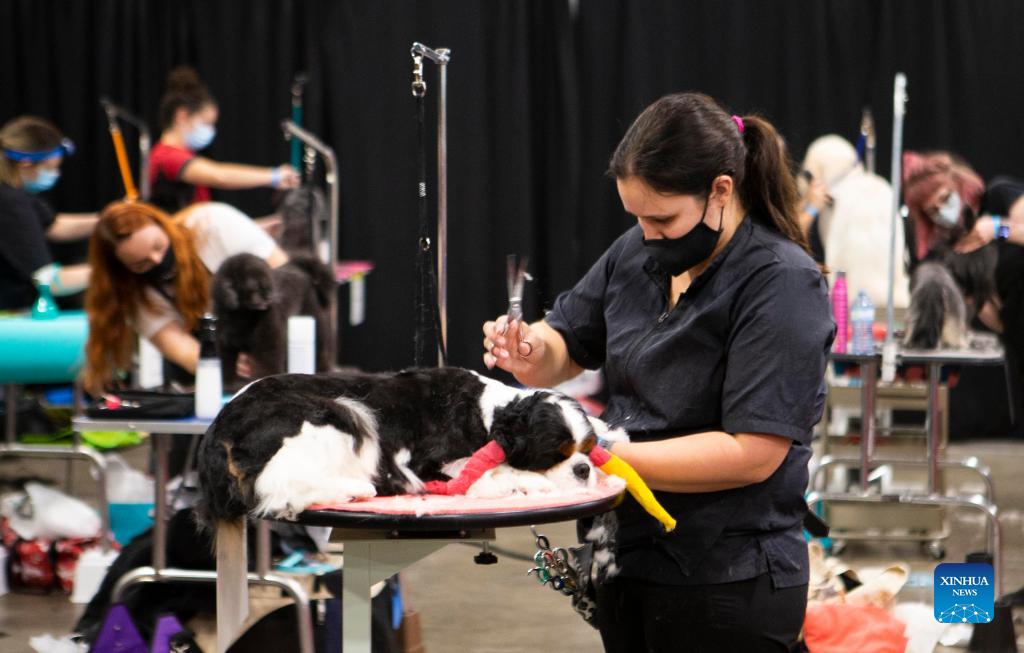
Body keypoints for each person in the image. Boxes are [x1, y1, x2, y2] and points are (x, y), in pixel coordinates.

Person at [482, 92, 834, 651]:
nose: (647, 234)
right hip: (626, 561)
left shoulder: (781, 283)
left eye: (663, 218)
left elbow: (753, 452)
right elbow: (566, 343)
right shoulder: (638, 251)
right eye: (637, 217)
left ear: (721, 190)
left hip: (726, 578)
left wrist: (595, 455)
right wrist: (529, 351)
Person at [82, 200, 288, 394]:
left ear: (162, 224)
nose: (157, 259)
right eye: (141, 264)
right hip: (214, 366)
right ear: (124, 269)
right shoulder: (136, 295)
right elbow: (181, 348)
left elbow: (286, 280)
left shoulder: (213, 223)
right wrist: (229, 365)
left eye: (158, 246)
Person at [149, 66, 300, 215]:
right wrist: (273, 176)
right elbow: (220, 176)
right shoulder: (166, 156)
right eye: (206, 124)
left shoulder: (183, 159)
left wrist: (266, 225)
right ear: (181, 116)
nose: (210, 131)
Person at [0, 116, 96, 310]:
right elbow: (48, 281)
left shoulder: (15, 194)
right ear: (26, 164)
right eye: (51, 168)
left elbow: (53, 225)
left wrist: (109, 219)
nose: (56, 174)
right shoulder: (11, 203)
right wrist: (114, 271)